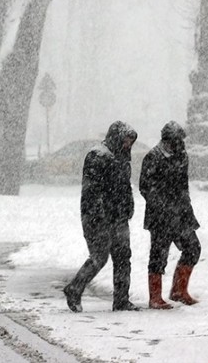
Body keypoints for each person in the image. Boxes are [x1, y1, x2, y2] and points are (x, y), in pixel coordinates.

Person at [63, 121, 141, 312]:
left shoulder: (122, 158)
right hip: (99, 218)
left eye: (131, 142)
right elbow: (91, 191)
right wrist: (98, 216)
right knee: (99, 257)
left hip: (119, 217)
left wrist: (128, 206)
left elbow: (124, 187)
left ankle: (121, 300)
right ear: (117, 138)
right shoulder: (97, 156)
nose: (128, 145)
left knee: (123, 257)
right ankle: (74, 289)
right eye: (126, 140)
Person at [139, 121, 201, 309]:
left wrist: (186, 209)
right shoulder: (153, 157)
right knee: (158, 255)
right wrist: (163, 207)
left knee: (193, 248)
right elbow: (145, 187)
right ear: (167, 139)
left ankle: (179, 290)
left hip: (181, 214)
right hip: (160, 217)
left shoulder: (182, 155)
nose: (180, 143)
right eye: (176, 140)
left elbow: (183, 185)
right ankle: (155, 298)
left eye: (181, 140)